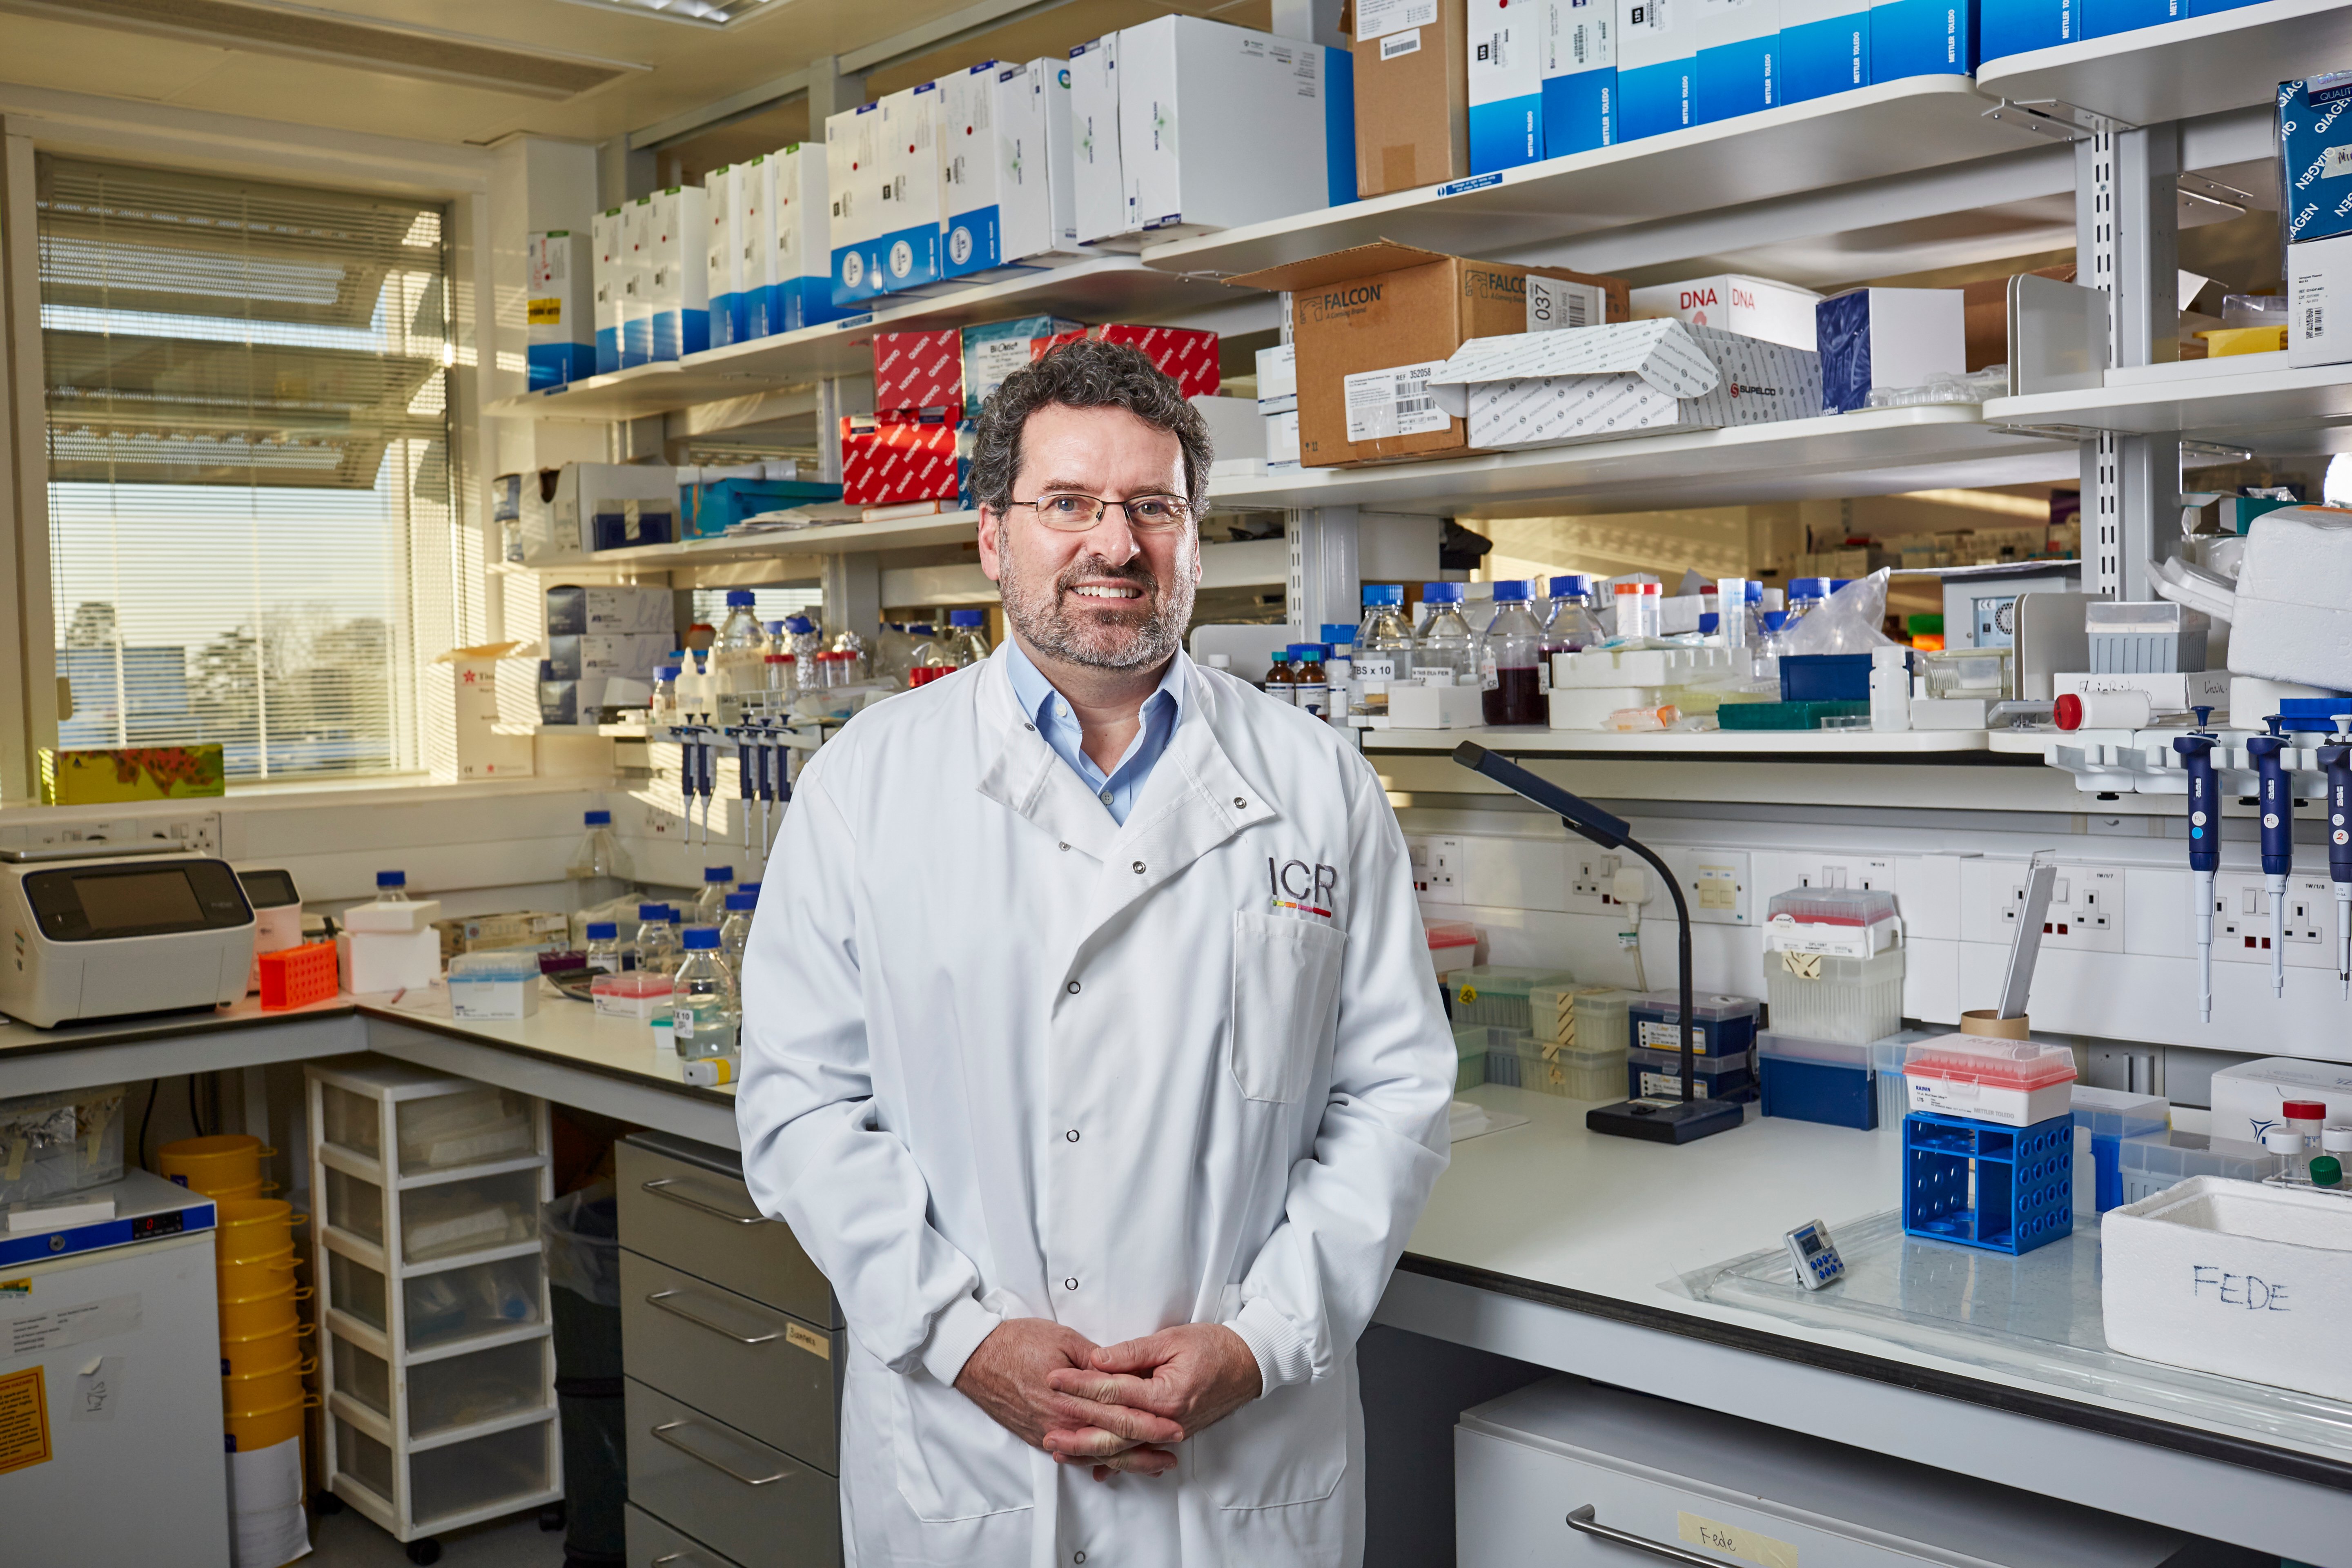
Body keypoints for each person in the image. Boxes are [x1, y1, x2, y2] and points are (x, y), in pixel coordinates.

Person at [736, 338, 1454, 1567]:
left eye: (1154, 509)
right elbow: (801, 1106)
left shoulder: (1315, 780)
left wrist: (1265, 1340)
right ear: (993, 539)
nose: (1114, 547)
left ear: (1193, 534)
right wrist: (962, 1340)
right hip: (968, 1455)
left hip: (1240, 1453)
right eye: (1067, 503)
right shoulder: (868, 782)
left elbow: (1394, 1095)